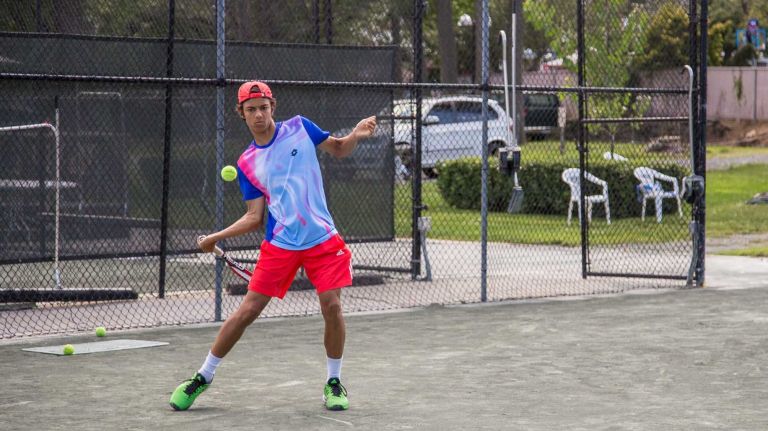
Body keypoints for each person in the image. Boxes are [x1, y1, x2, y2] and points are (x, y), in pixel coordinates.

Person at [169, 80, 376, 412]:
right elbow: (254, 217)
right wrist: (214, 238)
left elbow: (338, 148)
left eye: (263, 107)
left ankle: (333, 382)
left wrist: (356, 134)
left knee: (332, 306)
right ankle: (202, 376)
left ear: (272, 107)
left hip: (322, 239)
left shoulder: (300, 127)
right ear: (242, 114)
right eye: (251, 110)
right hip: (280, 244)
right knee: (248, 310)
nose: (259, 114)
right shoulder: (247, 163)